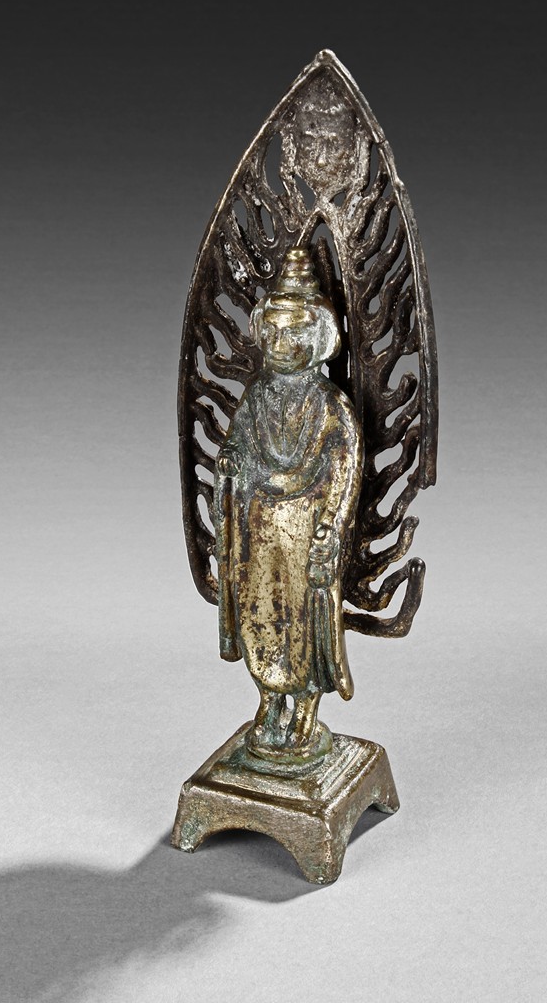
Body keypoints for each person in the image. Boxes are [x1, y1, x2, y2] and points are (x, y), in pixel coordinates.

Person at [214, 248, 362, 763]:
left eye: (293, 333)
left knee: (302, 621)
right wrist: (231, 464)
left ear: (319, 338)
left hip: (305, 528)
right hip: (258, 526)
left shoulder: (328, 404)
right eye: (272, 333)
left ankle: (303, 706)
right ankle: (269, 699)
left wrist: (332, 526)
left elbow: (345, 467)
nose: (281, 345)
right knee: (261, 614)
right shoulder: (257, 395)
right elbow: (236, 446)